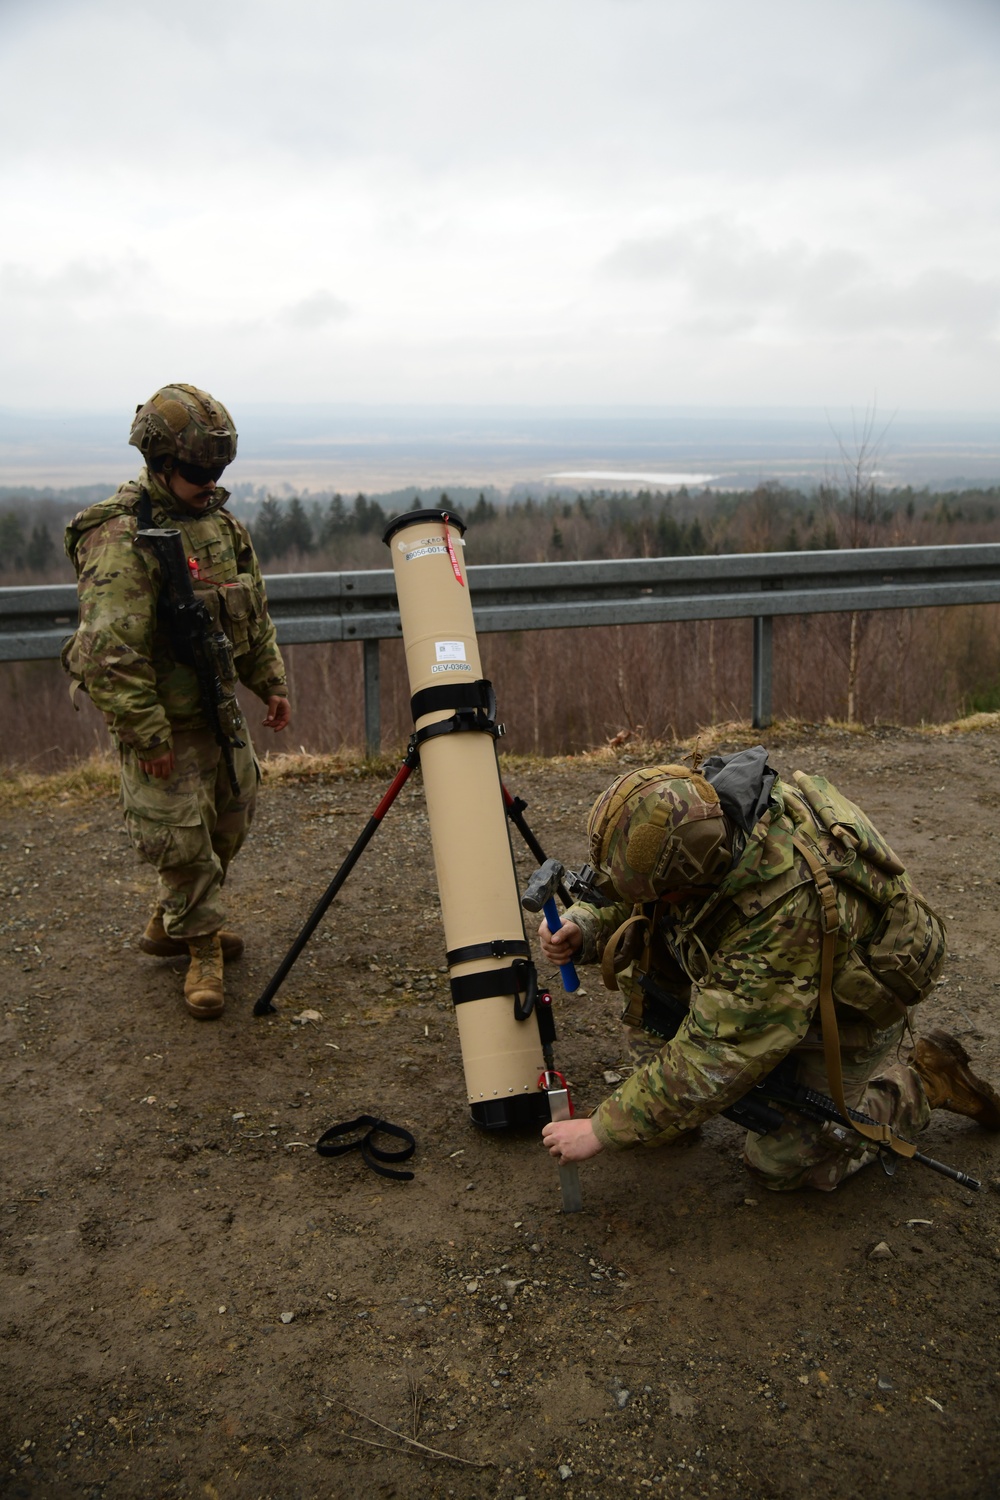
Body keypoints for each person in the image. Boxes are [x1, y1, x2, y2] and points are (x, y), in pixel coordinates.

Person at [539, 747, 1000, 1189]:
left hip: (851, 1003)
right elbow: (638, 890)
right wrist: (584, 925)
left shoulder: (782, 911)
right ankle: (664, 1104)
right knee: (647, 954)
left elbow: (717, 1054)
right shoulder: (703, 812)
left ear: (690, 877)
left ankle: (927, 1082)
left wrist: (603, 1128)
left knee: (783, 1162)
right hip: (782, 978)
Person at [63, 383, 291, 1020]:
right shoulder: (119, 536)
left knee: (231, 818)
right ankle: (201, 949)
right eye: (196, 470)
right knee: (180, 842)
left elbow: (251, 614)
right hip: (163, 720)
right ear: (159, 462)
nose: (209, 481)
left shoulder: (220, 528)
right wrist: (147, 733)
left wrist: (268, 681)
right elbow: (108, 650)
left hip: (218, 712)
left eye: (219, 469)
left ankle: (176, 923)